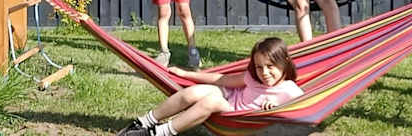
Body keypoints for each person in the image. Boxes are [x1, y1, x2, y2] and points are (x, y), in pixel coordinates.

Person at [117, 37, 303, 136]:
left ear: (284, 62)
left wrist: (277, 108)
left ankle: (160, 133)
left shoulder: (289, 89)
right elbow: (222, 79)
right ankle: (144, 121)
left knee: (212, 100)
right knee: (193, 92)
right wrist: (186, 74)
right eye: (259, 67)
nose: (264, 72)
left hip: (238, 118)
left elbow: (305, 110)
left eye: (270, 66)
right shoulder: (252, 77)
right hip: (229, 100)